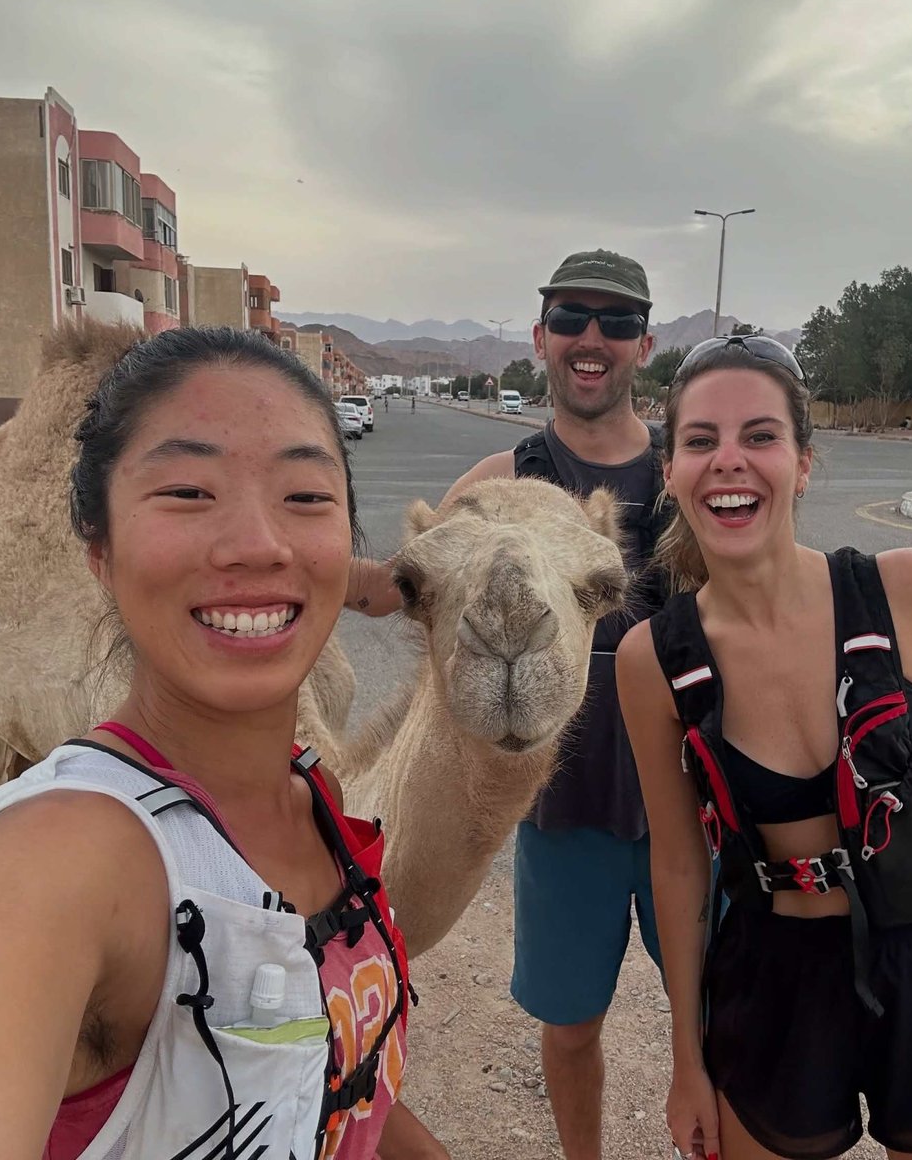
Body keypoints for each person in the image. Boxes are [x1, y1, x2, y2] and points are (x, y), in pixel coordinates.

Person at [0, 327, 448, 1160]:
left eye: (306, 496)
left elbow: (340, 1083)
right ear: (98, 547)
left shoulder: (314, 801)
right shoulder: (63, 859)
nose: (259, 545)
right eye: (189, 492)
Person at [616, 334, 912, 1160]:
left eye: (760, 436)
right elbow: (681, 866)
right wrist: (688, 1058)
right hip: (776, 976)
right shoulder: (656, 660)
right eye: (700, 441)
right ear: (671, 471)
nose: (729, 461)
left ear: (802, 463)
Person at [347, 250, 671, 1160]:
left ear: (643, 342)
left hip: (690, 811)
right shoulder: (498, 476)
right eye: (571, 319)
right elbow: (412, 584)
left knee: (718, 1020)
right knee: (570, 1031)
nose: (591, 339)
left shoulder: (687, 483)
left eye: (614, 321)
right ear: (541, 340)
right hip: (561, 815)